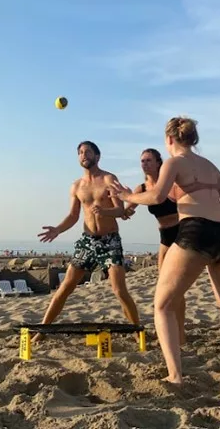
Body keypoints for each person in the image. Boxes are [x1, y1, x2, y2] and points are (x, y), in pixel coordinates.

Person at [109, 117, 220, 388]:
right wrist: (212, 220)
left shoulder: (174, 162)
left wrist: (127, 197)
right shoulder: (210, 165)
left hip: (196, 233)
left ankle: (175, 376)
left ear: (169, 139)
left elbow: (156, 197)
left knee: (162, 306)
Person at [34, 141, 141, 342]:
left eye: (88, 152)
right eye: (81, 152)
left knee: (119, 290)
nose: (84, 155)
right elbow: (73, 216)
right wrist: (57, 229)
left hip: (110, 241)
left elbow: (120, 210)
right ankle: (42, 330)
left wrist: (104, 211)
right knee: (65, 287)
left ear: (97, 156)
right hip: (87, 241)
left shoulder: (109, 179)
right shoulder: (76, 186)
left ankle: (137, 331)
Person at [122, 148, 187, 345]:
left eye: (149, 160)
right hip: (164, 236)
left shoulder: (171, 183)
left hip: (181, 232)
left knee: (176, 287)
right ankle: (169, 330)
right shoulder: (141, 188)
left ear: (159, 162)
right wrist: (119, 201)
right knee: (164, 286)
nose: (145, 164)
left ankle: (181, 336)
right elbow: (126, 212)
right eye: (142, 161)